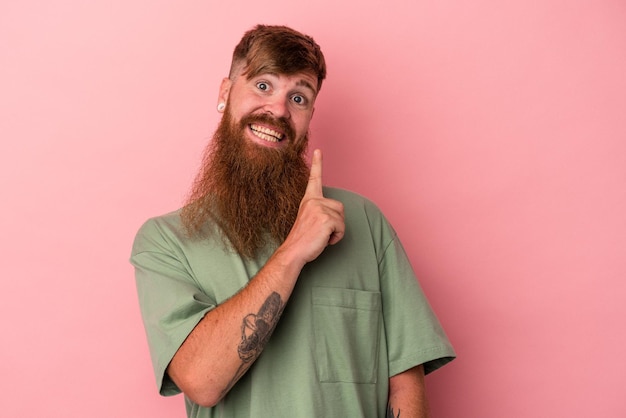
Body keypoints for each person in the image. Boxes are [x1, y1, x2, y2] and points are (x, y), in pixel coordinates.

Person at [130, 24, 455, 418]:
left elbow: (405, 381)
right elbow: (202, 382)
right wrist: (294, 251)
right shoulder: (166, 241)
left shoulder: (365, 222)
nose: (279, 110)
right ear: (225, 93)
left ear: (309, 116)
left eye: (298, 97)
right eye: (263, 86)